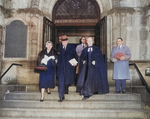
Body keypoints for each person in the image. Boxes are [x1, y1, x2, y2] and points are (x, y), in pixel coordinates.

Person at [57, 35, 78, 102]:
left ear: (67, 41)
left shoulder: (71, 47)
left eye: (65, 41)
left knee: (67, 81)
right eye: (63, 41)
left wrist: (75, 63)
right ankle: (61, 96)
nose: (64, 42)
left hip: (69, 68)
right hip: (61, 68)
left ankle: (66, 89)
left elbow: (75, 56)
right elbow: (57, 57)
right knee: (61, 82)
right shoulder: (59, 48)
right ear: (61, 42)